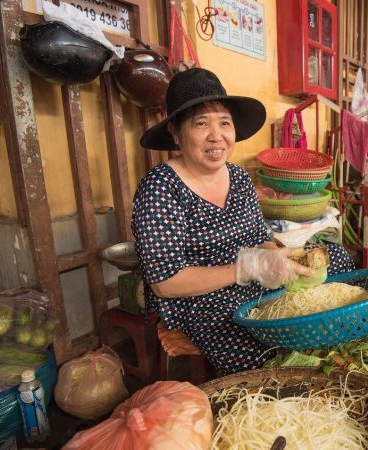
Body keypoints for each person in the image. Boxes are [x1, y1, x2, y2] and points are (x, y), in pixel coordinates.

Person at [132, 68, 354, 375]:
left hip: (252, 280)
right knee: (249, 339)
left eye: (224, 123)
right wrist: (245, 269)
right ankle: (276, 383)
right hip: (201, 298)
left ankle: (329, 345)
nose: (217, 136)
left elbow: (257, 237)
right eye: (201, 124)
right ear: (175, 131)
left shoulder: (237, 177)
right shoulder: (160, 187)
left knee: (336, 257)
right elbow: (166, 283)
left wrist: (276, 256)